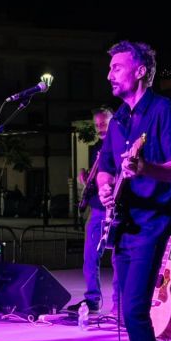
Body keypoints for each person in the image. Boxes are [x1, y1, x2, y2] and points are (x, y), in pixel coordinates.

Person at [96, 41, 171, 341]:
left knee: (135, 311)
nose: (109, 74)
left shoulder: (162, 110)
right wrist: (103, 186)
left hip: (152, 224)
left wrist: (145, 166)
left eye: (117, 67)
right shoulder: (118, 119)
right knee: (127, 312)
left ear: (139, 71)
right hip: (125, 222)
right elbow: (104, 166)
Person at [69, 107, 116, 314]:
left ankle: (120, 304)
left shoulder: (118, 145)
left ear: (112, 122)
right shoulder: (96, 148)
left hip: (115, 207)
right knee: (90, 256)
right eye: (97, 124)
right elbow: (96, 179)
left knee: (119, 257)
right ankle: (92, 299)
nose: (100, 128)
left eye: (104, 123)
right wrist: (85, 178)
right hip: (96, 208)